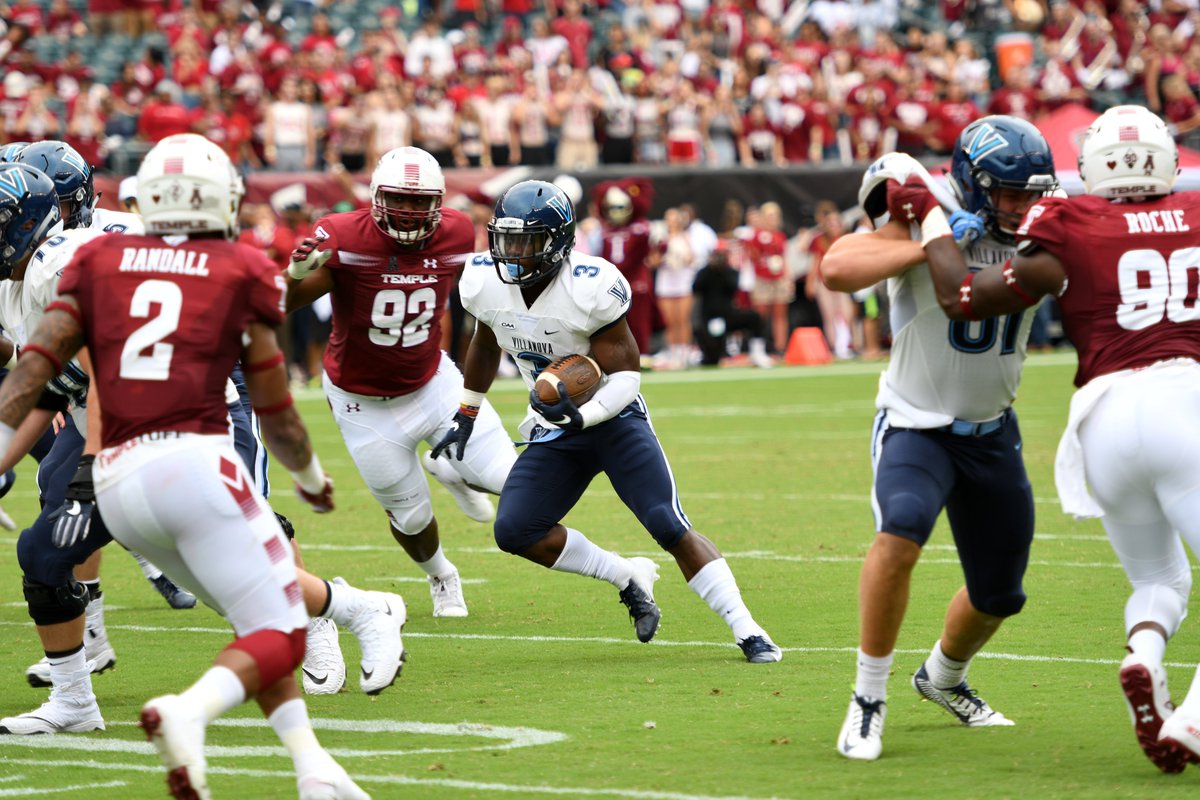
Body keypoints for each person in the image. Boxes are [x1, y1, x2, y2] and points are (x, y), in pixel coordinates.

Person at [0, 136, 372, 798]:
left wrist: (85, 462)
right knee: (45, 550)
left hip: (181, 401)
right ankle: (77, 696)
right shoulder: (69, 262)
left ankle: (346, 611)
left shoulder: (81, 262)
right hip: (107, 401)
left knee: (236, 575)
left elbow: (62, 369)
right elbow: (53, 371)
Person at [914, 104, 1200, 773]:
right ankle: (1189, 721)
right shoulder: (1194, 217)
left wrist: (932, 224)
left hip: (1101, 421)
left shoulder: (1068, 224)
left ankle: (1144, 657)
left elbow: (962, 296)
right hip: (1184, 400)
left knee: (1160, 577)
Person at [433, 179, 782, 662]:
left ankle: (748, 630)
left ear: (558, 241)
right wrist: (467, 411)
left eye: (526, 241)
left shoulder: (590, 286)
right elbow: (486, 343)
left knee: (668, 523)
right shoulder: (484, 281)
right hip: (555, 425)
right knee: (515, 529)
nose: (512, 252)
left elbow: (626, 378)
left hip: (613, 418)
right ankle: (625, 574)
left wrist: (584, 416)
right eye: (506, 239)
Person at [820, 115, 1059, 760]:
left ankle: (943, 678)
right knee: (900, 532)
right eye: (1010, 194)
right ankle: (869, 696)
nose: (1022, 206)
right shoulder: (933, 218)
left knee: (1000, 594)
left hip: (992, 433)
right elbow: (837, 268)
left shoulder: (1046, 231)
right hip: (914, 424)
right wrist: (931, 238)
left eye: (1031, 193)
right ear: (976, 187)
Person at [285, 146, 518, 619]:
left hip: (432, 380)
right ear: (375, 196)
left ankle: (454, 468)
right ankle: (441, 575)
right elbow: (278, 307)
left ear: (438, 202)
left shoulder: (455, 230)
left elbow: (475, 295)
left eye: (420, 202)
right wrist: (291, 277)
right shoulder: (343, 235)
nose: (410, 212)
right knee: (411, 517)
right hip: (361, 400)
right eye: (399, 199)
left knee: (508, 480)